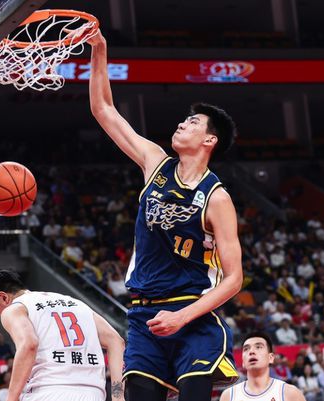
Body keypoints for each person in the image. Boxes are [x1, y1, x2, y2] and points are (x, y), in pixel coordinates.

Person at [87, 30, 243, 401]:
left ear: (209, 140)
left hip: (191, 315)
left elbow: (234, 278)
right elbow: (104, 110)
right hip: (144, 317)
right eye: (183, 120)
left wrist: (182, 317)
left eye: (193, 123)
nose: (181, 124)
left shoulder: (216, 198)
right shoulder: (155, 163)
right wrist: (99, 49)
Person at [0, 269, 125, 401]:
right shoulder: (76, 304)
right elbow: (117, 342)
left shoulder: (14, 308)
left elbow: (29, 345)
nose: (0, 315)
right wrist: (118, 396)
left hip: (48, 391)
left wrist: (11, 398)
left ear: (4, 297)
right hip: (93, 394)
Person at [220, 332, 306, 401]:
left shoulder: (290, 393)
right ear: (243, 362)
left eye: (258, 347)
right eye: (246, 349)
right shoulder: (229, 396)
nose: (251, 352)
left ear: (271, 358)